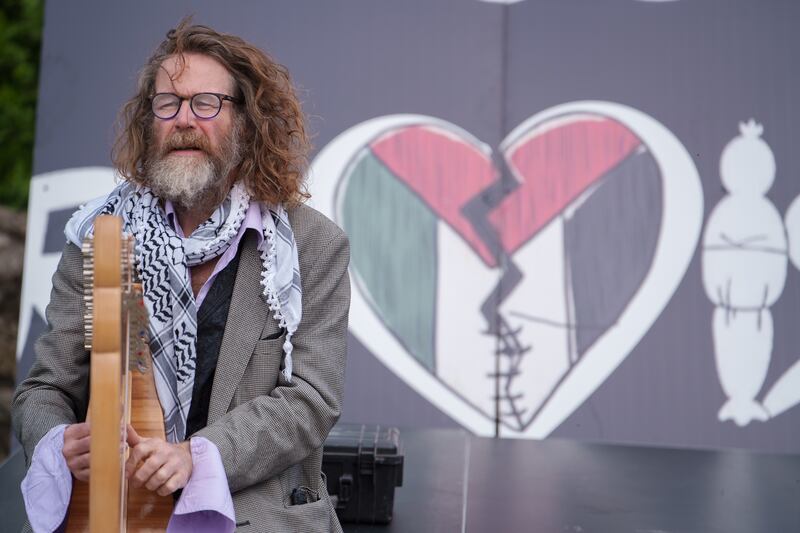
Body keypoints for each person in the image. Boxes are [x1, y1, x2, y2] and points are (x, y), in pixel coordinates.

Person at [12, 20, 349, 533]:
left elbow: (311, 400)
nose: (184, 120)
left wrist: (199, 456)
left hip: (253, 513)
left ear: (247, 120)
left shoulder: (311, 245)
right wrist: (59, 440)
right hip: (113, 512)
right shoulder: (99, 234)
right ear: (149, 122)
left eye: (206, 103)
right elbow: (43, 390)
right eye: (167, 104)